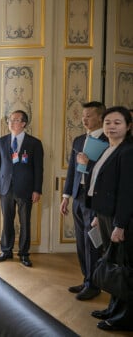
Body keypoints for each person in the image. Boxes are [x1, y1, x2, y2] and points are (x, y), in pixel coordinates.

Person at [85, 106, 133, 331]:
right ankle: (113, 308)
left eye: (117, 123)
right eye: (108, 123)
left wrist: (120, 225)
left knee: (122, 267)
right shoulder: (107, 149)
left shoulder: (128, 151)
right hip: (104, 215)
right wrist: (96, 215)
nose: (111, 127)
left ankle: (124, 317)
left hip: (118, 219)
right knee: (111, 262)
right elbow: (98, 185)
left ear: (128, 127)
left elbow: (127, 192)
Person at [60, 101, 106, 300]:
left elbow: (107, 173)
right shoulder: (79, 140)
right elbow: (72, 171)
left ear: (100, 118)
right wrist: (65, 197)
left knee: (93, 242)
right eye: (83, 116)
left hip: (95, 199)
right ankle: (86, 278)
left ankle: (94, 285)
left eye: (89, 115)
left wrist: (89, 163)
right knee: (81, 241)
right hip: (78, 196)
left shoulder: (109, 140)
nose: (84, 119)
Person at [0, 110, 44, 267]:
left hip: (26, 189)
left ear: (23, 123)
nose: (11, 123)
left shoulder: (34, 143)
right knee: (7, 220)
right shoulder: (1, 142)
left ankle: (24, 253)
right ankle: (6, 251)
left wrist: (37, 190)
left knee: (25, 222)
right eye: (10, 120)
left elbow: (39, 169)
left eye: (15, 120)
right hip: (5, 187)